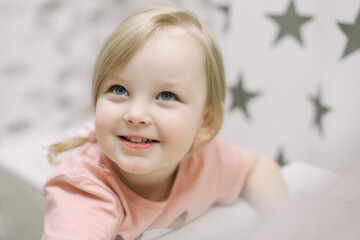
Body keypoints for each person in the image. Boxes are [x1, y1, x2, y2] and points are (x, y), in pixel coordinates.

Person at [42, 4, 287, 240]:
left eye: (166, 96)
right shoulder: (85, 193)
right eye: (119, 89)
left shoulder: (205, 161)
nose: (136, 114)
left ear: (206, 121)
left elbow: (256, 167)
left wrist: (283, 225)